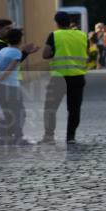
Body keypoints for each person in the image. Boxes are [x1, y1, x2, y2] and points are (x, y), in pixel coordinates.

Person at [41, 10, 88, 145]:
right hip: (78, 77)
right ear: (70, 22)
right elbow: (86, 53)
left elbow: (45, 54)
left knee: (50, 107)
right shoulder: (82, 35)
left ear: (57, 23)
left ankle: (49, 136)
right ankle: (70, 137)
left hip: (58, 77)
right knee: (74, 109)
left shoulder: (54, 35)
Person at [0, 27, 29, 146]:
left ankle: (4, 138)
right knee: (19, 112)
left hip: (1, 88)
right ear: (20, 40)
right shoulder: (17, 53)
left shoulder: (2, 51)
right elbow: (9, 70)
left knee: (4, 112)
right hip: (12, 87)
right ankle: (18, 138)